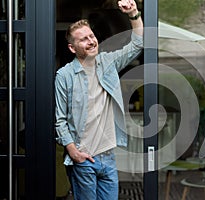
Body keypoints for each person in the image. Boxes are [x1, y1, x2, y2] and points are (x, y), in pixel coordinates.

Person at [54, 0, 143, 199]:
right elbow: (59, 120)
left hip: (108, 157)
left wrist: (134, 14)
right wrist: (73, 153)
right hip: (83, 159)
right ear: (72, 48)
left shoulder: (107, 62)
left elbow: (138, 43)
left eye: (92, 36)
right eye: (84, 39)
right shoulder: (65, 75)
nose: (91, 41)